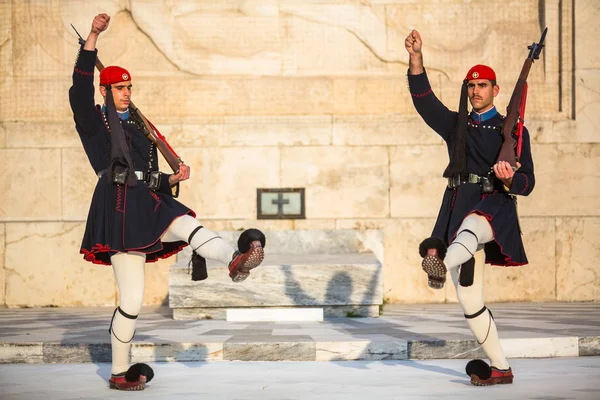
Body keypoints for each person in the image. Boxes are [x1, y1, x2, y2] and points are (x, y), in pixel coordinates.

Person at [69, 13, 266, 391]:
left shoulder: (140, 124)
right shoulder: (94, 121)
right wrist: (93, 36)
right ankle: (119, 371)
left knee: (188, 224)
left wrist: (171, 178)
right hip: (120, 209)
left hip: (150, 201)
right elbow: (77, 90)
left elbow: (147, 170)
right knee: (132, 301)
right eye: (119, 87)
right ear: (105, 91)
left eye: (129, 87)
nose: (126, 92)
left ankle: (236, 261)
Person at [405, 29, 535, 386]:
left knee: (474, 224)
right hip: (457, 208)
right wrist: (416, 60)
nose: (476, 91)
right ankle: (501, 368)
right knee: (469, 302)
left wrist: (509, 178)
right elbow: (425, 102)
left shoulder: (512, 132)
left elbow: (528, 184)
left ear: (496, 90)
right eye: (471, 85)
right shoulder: (456, 126)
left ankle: (438, 266)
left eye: (483, 85)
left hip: (493, 208)